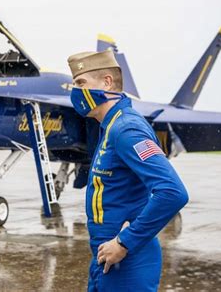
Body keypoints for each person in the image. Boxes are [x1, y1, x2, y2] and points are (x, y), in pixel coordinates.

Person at [67, 50, 189, 291]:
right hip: (106, 259)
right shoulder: (109, 127)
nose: (75, 91)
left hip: (128, 261)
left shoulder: (126, 129)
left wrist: (124, 242)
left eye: (81, 83)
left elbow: (173, 192)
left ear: (107, 82)